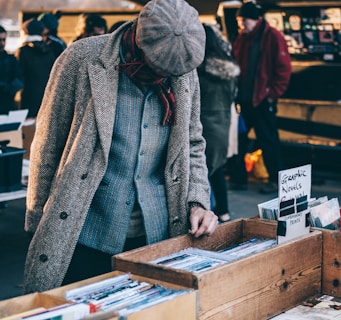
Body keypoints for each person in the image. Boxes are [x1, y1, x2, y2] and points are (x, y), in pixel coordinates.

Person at [23, 0, 218, 294]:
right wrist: (39, 221)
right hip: (83, 229)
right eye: (160, 68)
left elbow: (192, 142)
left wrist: (198, 201)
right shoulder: (81, 58)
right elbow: (48, 141)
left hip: (157, 234)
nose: (168, 78)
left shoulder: (183, 71)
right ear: (140, 43)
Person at [231, 2, 292, 194]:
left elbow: (284, 68)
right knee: (238, 139)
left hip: (262, 99)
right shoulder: (243, 38)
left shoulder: (273, 37)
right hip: (245, 99)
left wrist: (272, 94)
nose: (241, 25)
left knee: (268, 141)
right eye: (239, 21)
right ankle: (239, 178)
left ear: (255, 19)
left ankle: (276, 181)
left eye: (244, 21)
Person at [197, 23, 240, 223]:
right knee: (216, 170)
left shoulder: (199, 69)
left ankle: (208, 212)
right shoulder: (228, 68)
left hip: (203, 125)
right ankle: (223, 211)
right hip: (224, 123)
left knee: (201, 172)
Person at [15, 18, 58, 118]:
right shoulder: (49, 51)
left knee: (29, 129)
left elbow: (19, 75)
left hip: (29, 97)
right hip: (48, 97)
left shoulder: (23, 51)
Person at [0, 25, 24, 115]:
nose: (2, 43)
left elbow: (19, 80)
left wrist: (9, 88)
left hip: (7, 107)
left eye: (4, 40)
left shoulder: (11, 60)